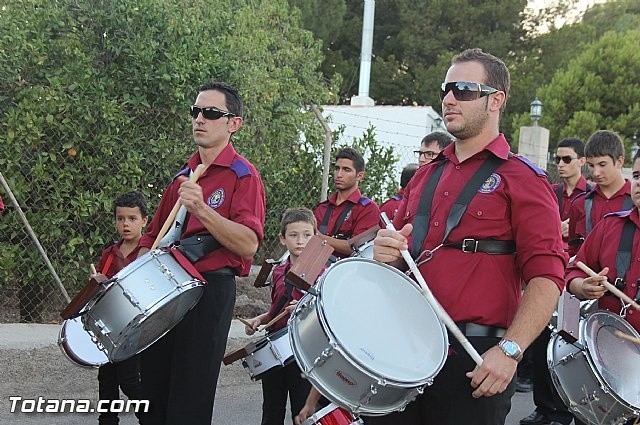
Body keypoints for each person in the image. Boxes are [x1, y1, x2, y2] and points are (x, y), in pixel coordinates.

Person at [370, 48, 566, 425]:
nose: (448, 99)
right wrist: (388, 254)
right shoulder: (425, 176)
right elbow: (401, 260)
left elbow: (547, 278)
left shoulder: (524, 179)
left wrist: (509, 352)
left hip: (474, 355)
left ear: (496, 100)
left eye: (463, 89)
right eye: (446, 89)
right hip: (403, 346)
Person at [137, 81, 266, 425]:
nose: (199, 119)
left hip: (208, 289)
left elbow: (248, 243)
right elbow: (151, 237)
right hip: (165, 290)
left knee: (189, 398)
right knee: (150, 393)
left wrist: (204, 210)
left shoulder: (243, 175)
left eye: (211, 113)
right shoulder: (183, 175)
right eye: (196, 112)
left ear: (233, 123)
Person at [563, 149, 640, 425]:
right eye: (638, 175)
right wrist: (582, 286)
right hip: (608, 359)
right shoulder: (610, 227)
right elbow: (573, 268)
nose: (639, 183)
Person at [519, 138, 590, 425]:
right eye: (558, 159)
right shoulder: (551, 191)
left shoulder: (590, 197)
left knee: (568, 345)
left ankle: (565, 410)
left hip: (574, 278)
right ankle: (545, 407)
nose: (560, 165)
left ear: (581, 162)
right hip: (548, 275)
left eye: (567, 159)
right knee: (541, 340)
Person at [245, 208, 315, 425]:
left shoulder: (321, 271)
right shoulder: (277, 272)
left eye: (307, 235)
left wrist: (304, 308)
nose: (300, 241)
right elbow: (277, 310)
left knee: (300, 408)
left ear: (315, 238)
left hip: (303, 349)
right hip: (276, 347)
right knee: (272, 409)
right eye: (294, 235)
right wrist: (260, 319)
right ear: (283, 239)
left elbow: (324, 311)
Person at [94, 190, 148, 425]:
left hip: (136, 328)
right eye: (120, 218)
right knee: (106, 380)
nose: (125, 224)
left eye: (132, 218)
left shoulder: (148, 252)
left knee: (129, 380)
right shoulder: (109, 253)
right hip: (111, 327)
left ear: (144, 220)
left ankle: (151, 416)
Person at [567, 130, 632, 257]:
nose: (596, 172)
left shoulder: (636, 202)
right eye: (591, 165)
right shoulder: (579, 204)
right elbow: (572, 252)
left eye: (602, 164)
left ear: (620, 161)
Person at [313, 147, 380, 257]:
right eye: (337, 168)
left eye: (346, 170)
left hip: (347, 271)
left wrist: (318, 237)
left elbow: (358, 249)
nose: (339, 174)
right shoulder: (322, 207)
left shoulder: (368, 209)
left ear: (360, 176)